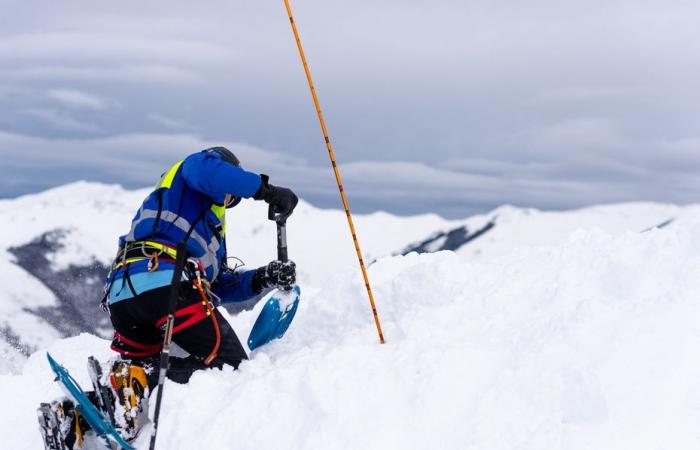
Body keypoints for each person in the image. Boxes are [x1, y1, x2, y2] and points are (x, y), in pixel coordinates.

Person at [101, 147, 298, 438]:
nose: (231, 199)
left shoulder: (198, 223)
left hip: (124, 292)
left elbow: (214, 287)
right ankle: (139, 381)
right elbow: (209, 174)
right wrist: (266, 191)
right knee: (230, 366)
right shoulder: (196, 166)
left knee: (143, 363)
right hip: (167, 286)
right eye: (233, 193)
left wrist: (262, 278)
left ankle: (83, 416)